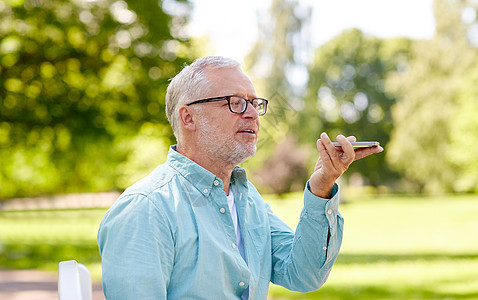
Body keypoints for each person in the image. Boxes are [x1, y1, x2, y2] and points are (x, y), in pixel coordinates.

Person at [97, 56, 383, 299]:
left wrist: (321, 187)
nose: (252, 114)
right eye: (235, 102)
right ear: (188, 118)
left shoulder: (248, 199)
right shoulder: (146, 209)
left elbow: (303, 274)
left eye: (254, 103)